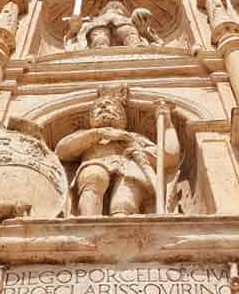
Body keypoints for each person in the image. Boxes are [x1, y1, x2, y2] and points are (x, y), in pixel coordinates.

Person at [55, 87, 179, 216]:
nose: (103, 107)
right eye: (97, 107)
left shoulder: (135, 138)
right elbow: (62, 151)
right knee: (94, 176)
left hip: (130, 172)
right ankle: (87, 221)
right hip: (95, 165)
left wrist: (167, 124)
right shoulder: (85, 135)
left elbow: (170, 157)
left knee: (123, 200)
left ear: (121, 116)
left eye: (110, 105)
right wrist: (98, 134)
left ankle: (122, 226)